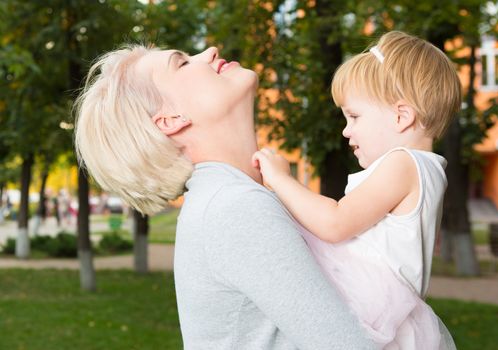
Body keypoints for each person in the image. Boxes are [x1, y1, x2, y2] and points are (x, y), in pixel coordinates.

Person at [74, 45, 376, 349]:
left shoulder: (224, 200)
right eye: (182, 63)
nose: (210, 51)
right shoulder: (234, 208)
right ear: (171, 118)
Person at [253, 31, 460, 349]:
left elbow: (336, 224)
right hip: (387, 311)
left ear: (401, 116)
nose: (347, 131)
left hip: (371, 307)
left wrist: (282, 179)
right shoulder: (425, 168)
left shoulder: (403, 164)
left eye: (354, 116)